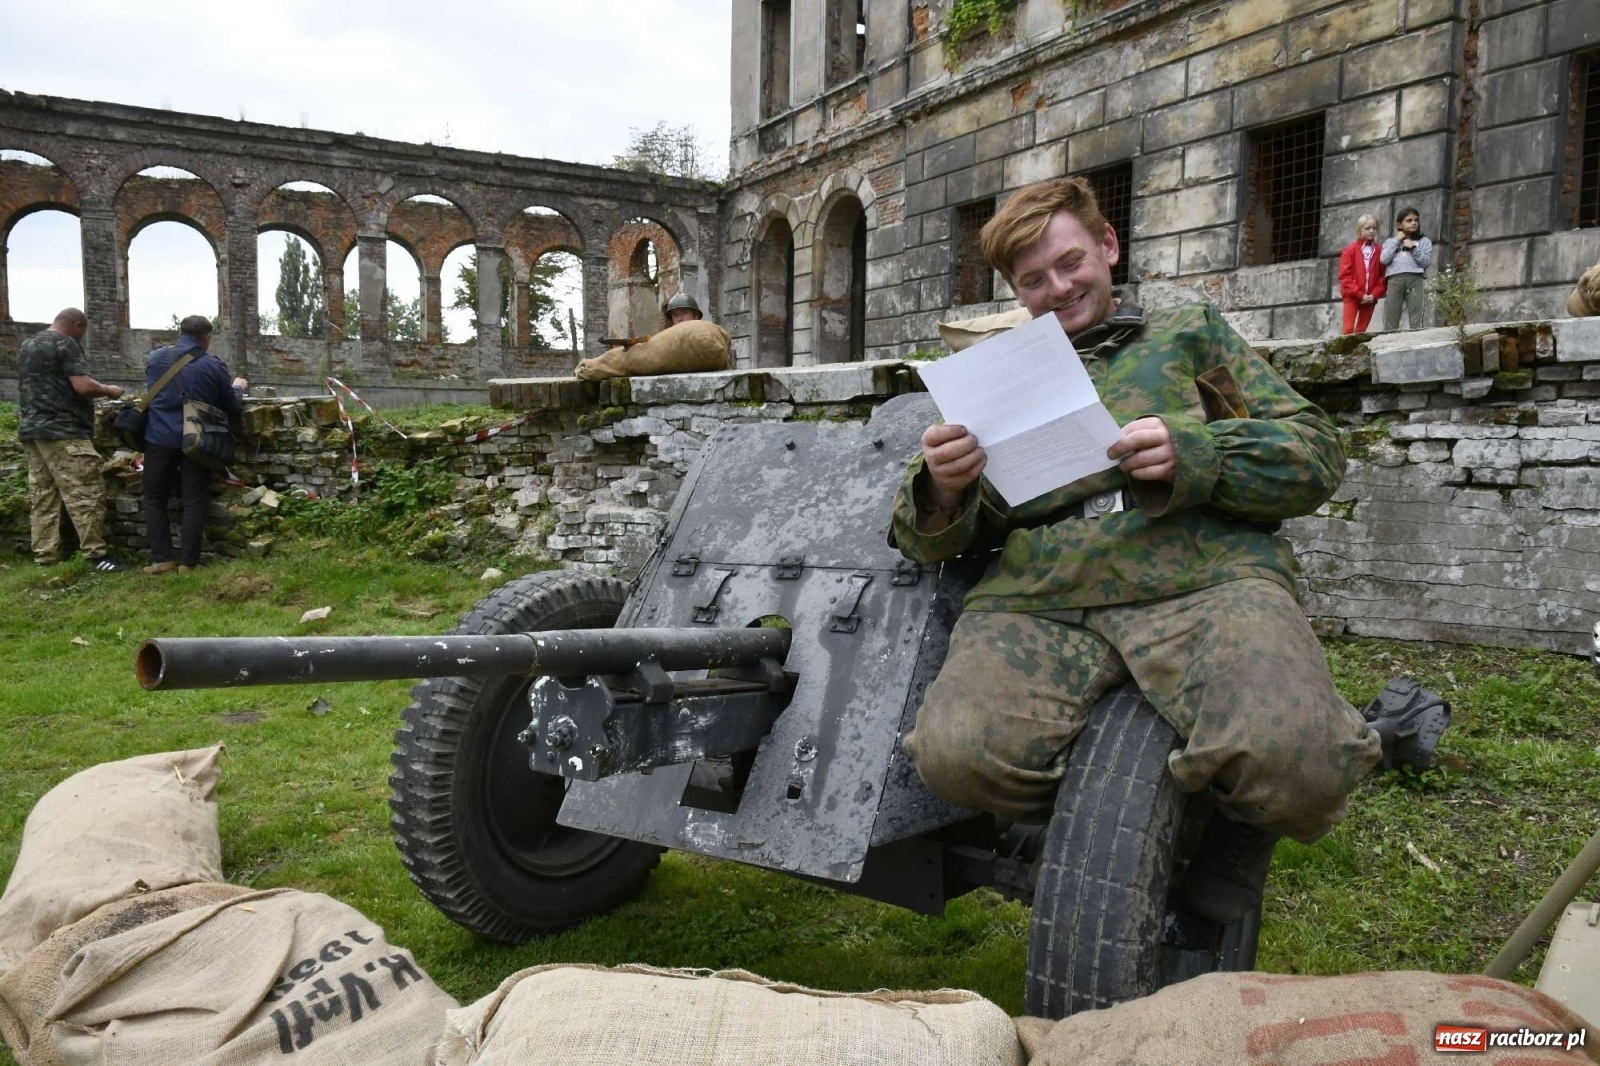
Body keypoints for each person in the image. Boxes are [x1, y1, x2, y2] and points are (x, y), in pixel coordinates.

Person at [891, 177, 1447, 925]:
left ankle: (1224, 835)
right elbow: (937, 536)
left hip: (1202, 578)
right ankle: (1104, 816)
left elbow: (1313, 454)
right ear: (1015, 290)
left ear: (1108, 246)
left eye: (1070, 262)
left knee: (1302, 766)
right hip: (1042, 598)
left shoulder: (1188, 334)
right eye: (1033, 280)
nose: (1057, 288)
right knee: (956, 758)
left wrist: (1197, 454)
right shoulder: (1000, 377)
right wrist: (945, 489)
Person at [17, 307, 131, 571]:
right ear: (77, 325)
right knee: (85, 492)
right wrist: (109, 390)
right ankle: (96, 555)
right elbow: (83, 386)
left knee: (43, 495)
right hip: (64, 431)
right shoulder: (65, 343)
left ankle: (45, 557)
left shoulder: (28, 344)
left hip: (33, 430)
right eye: (83, 331)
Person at [141, 315, 247, 574]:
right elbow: (231, 406)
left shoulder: (155, 359)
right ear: (206, 338)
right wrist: (238, 388)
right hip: (196, 440)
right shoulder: (212, 365)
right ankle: (188, 563)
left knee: (154, 499)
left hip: (158, 437)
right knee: (194, 500)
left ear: (181, 333)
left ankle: (161, 559)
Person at [1380, 207, 1432, 330]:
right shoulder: (1390, 242)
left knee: (1416, 319)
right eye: (1409, 220)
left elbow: (1425, 262)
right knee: (1391, 317)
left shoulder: (1424, 241)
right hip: (1394, 280)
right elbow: (1383, 259)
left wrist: (1413, 248)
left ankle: (1416, 342)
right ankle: (1389, 343)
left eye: (1416, 220)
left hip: (1415, 279)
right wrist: (1397, 240)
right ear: (1399, 224)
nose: (1413, 223)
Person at [1338, 215, 1386, 334]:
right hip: (1352, 296)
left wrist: (1374, 294)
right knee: (1348, 329)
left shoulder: (1380, 251)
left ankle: (1357, 352)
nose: (1371, 231)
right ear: (1359, 230)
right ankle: (1346, 352)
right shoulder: (1350, 250)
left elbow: (1383, 276)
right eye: (1367, 228)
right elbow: (1344, 276)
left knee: (1361, 331)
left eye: (1374, 228)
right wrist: (1359, 293)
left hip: (1370, 297)